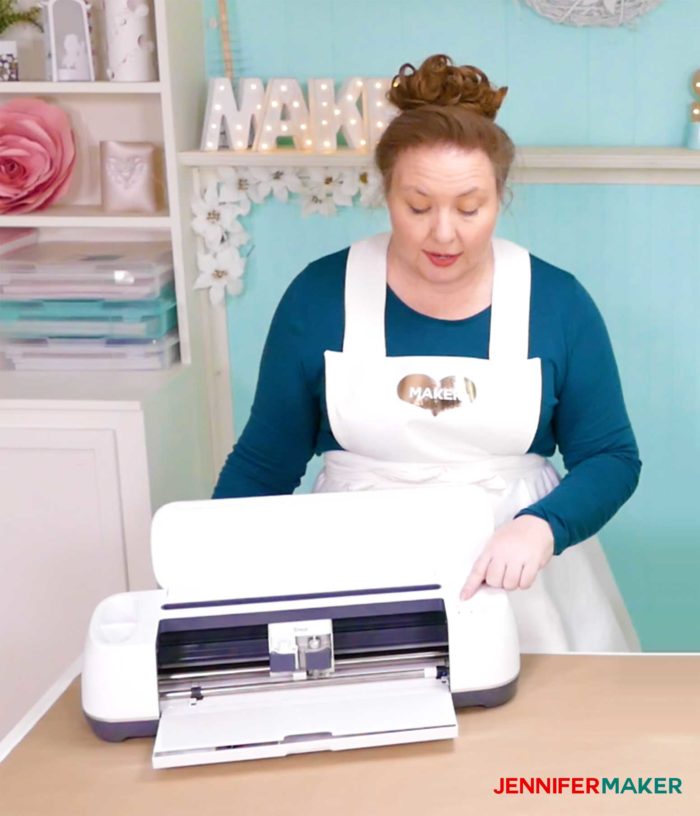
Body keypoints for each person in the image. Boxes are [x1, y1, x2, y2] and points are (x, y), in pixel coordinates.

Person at [213, 54, 642, 653]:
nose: (444, 233)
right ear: (385, 192)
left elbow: (612, 457)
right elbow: (265, 464)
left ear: (500, 196)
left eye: (470, 208)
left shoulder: (557, 301)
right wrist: (205, 580)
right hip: (356, 583)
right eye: (418, 207)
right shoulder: (319, 297)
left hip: (528, 592)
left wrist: (544, 526)